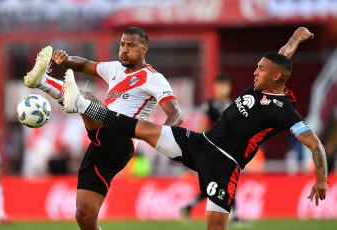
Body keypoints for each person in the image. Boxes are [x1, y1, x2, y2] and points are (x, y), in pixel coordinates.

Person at [62, 27, 328, 230]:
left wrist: (321, 179)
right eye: (257, 67)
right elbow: (284, 53)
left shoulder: (285, 112)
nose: (255, 73)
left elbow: (315, 143)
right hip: (201, 143)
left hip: (224, 165)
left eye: (261, 69)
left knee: (215, 226)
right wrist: (296, 37)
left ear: (276, 76)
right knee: (143, 128)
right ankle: (83, 105)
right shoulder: (263, 82)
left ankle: (82, 104)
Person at [24, 27, 183, 230]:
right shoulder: (114, 68)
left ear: (144, 49)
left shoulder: (153, 77)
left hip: (122, 140)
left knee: (86, 97)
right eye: (122, 44)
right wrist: (65, 59)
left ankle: (44, 82)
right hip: (99, 144)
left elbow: (176, 114)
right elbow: (83, 64)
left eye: (131, 46)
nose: (124, 49)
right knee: (84, 215)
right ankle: (58, 89)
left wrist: (161, 138)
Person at [181, 74, 241, 224]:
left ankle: (188, 207)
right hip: (212, 152)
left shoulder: (231, 105)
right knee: (225, 184)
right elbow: (202, 126)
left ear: (230, 87)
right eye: (220, 86)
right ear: (215, 87)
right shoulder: (209, 105)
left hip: (226, 152)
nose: (223, 89)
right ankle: (235, 218)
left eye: (225, 86)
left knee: (217, 186)